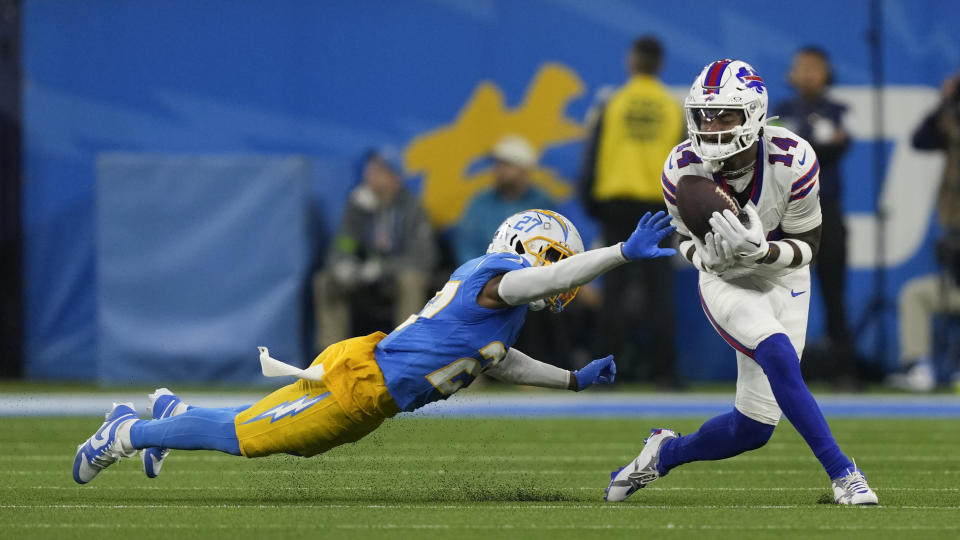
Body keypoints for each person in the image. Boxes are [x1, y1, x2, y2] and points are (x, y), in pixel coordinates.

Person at [72, 209, 677, 484]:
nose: (559, 271)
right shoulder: (500, 279)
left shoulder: (506, 312)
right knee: (249, 439)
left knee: (259, 429)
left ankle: (173, 415)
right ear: (523, 246)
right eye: (553, 255)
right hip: (361, 383)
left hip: (370, 389)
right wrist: (620, 254)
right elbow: (549, 279)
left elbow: (498, 361)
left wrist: (571, 380)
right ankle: (126, 433)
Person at [604, 59, 878, 505]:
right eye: (704, 114)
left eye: (725, 114)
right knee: (779, 355)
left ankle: (663, 453)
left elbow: (809, 242)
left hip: (784, 274)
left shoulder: (793, 158)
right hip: (726, 279)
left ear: (754, 113)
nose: (711, 125)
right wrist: (705, 256)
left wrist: (765, 252)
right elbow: (684, 238)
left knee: (752, 429)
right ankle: (844, 473)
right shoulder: (681, 167)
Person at [578, 36, 685, 385]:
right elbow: (686, 163)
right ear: (661, 65)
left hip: (618, 206)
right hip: (659, 205)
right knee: (659, 293)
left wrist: (591, 202)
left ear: (631, 61)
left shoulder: (615, 103)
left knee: (615, 291)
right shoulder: (671, 107)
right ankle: (663, 372)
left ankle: (608, 373)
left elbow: (591, 156)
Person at [773, 47, 858, 386]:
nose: (807, 74)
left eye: (814, 68)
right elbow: (778, 153)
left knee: (834, 291)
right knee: (781, 292)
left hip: (827, 211)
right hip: (786, 212)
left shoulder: (838, 111)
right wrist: (817, 145)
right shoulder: (781, 112)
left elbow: (834, 147)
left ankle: (844, 368)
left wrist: (805, 146)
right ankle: (783, 368)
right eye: (801, 68)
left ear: (826, 73)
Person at [313, 148, 437, 350]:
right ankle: (330, 359)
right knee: (326, 281)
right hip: (363, 279)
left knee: (411, 280)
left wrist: (382, 268)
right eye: (370, 170)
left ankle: (404, 352)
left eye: (378, 171)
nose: (369, 176)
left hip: (394, 279)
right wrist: (343, 263)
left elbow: (423, 257)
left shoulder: (413, 208)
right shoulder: (359, 205)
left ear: (393, 176)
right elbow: (344, 244)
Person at [887, 68, 960, 391]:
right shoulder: (950, 128)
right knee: (915, 295)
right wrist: (945, 103)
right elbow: (921, 139)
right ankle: (920, 367)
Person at [454, 134, 555, 266]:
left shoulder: (543, 204)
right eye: (498, 164)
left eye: (507, 165)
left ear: (524, 169)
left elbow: (551, 248)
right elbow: (467, 247)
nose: (499, 170)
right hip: (485, 277)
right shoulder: (480, 202)